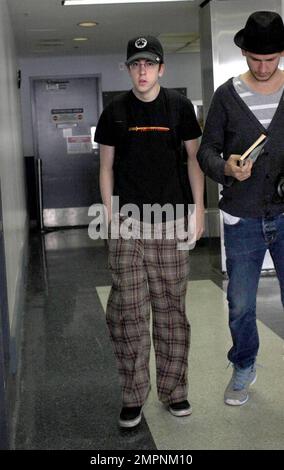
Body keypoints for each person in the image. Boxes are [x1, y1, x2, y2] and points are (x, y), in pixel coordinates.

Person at [95, 35, 204, 427]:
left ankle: (175, 391)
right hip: (126, 224)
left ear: (161, 68)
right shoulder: (115, 113)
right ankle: (132, 395)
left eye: (149, 63)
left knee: (171, 312)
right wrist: (109, 215)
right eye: (135, 64)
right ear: (128, 69)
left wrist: (199, 211)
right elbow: (106, 167)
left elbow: (193, 161)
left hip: (172, 222)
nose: (142, 71)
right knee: (128, 313)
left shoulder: (179, 108)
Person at [197, 11, 284, 407]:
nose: (263, 68)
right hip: (242, 216)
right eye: (255, 59)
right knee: (241, 303)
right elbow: (205, 152)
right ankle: (244, 364)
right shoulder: (227, 94)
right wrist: (226, 168)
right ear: (244, 52)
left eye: (271, 59)